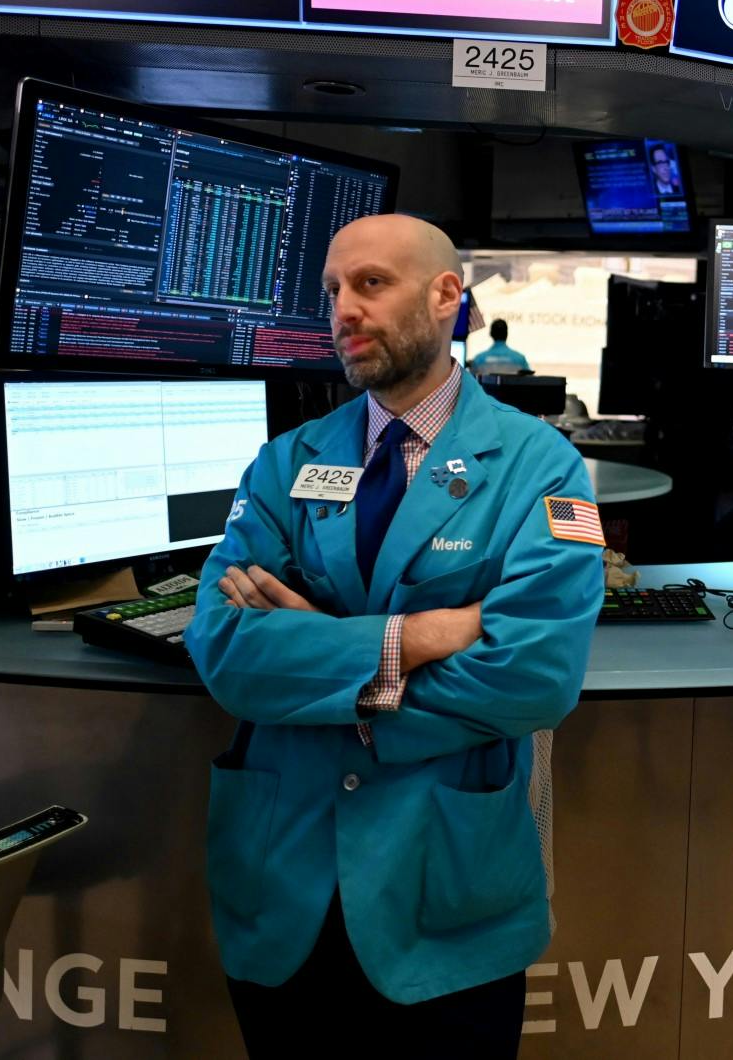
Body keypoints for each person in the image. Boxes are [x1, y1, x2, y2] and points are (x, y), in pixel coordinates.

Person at [185, 215, 603, 1059]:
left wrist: (321, 651)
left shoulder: (540, 467)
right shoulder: (284, 461)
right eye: (333, 290)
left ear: (448, 296)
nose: (343, 310)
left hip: (445, 896)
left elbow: (533, 678)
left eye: (371, 284)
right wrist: (412, 639)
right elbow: (227, 652)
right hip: (285, 889)